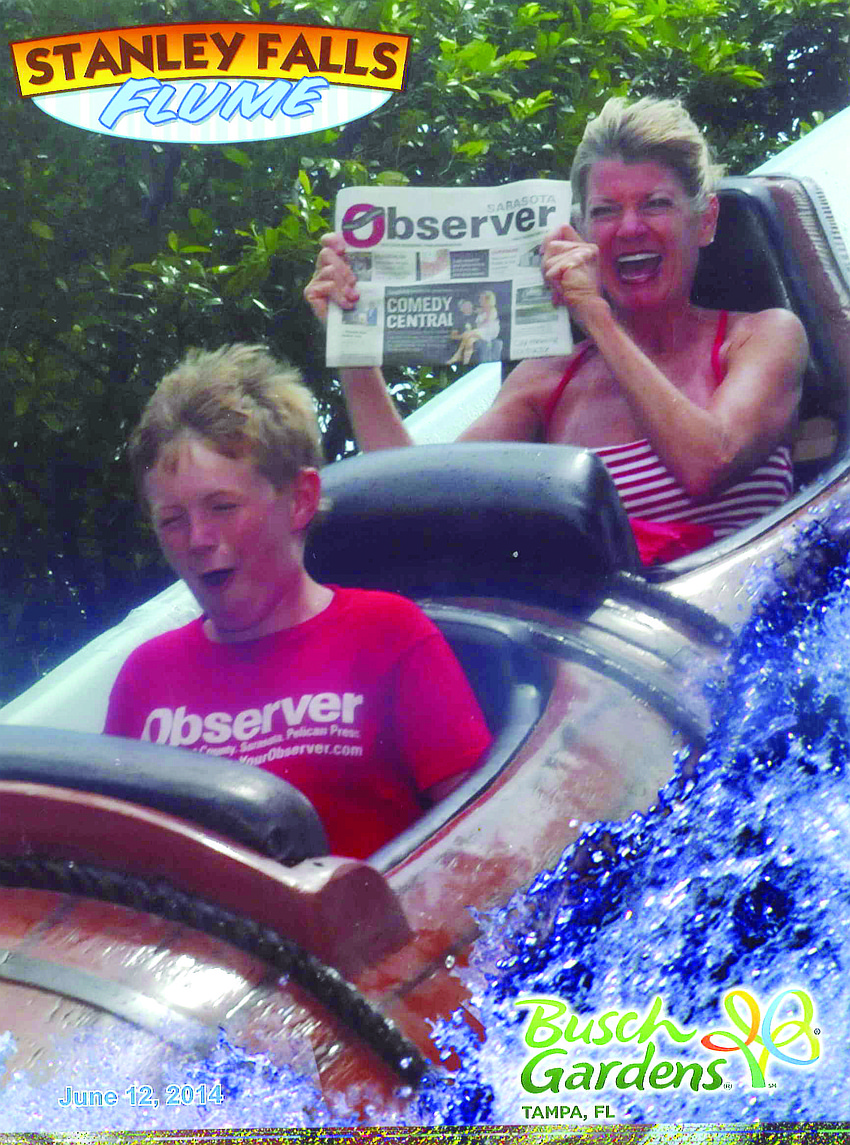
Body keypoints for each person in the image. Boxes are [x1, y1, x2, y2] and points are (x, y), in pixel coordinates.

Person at [305, 96, 808, 565]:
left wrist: (594, 315)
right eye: (605, 211)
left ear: (705, 221)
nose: (629, 228)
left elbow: (708, 463)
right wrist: (353, 343)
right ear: (583, 232)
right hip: (610, 643)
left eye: (655, 204)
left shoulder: (762, 336)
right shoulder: (548, 379)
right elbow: (415, 501)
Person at [103, 344, 492, 859]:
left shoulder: (389, 635)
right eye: (172, 520)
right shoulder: (144, 678)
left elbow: (487, 846)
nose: (197, 538)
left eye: (222, 507)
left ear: (301, 500)